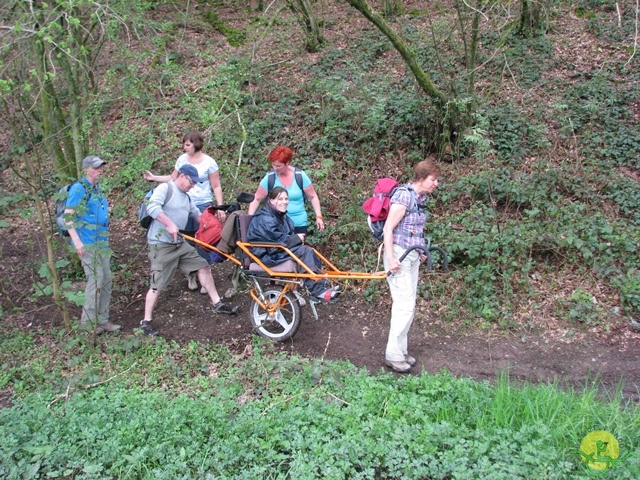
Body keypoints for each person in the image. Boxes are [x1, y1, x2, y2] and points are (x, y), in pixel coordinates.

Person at [141, 164, 239, 336]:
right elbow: (152, 207)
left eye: (195, 183)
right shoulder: (165, 188)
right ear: (182, 176)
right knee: (158, 284)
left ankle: (218, 304)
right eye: (192, 182)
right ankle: (146, 321)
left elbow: (198, 216)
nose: (193, 185)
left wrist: (215, 224)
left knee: (203, 265)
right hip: (161, 244)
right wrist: (169, 224)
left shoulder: (186, 197)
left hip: (179, 243)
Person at [143, 131, 226, 293]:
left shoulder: (209, 162)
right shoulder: (182, 160)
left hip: (202, 204)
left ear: (196, 144)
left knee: (204, 239)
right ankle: (191, 275)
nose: (184, 147)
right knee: (185, 239)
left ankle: (205, 275)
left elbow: (216, 186)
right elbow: (172, 178)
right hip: (181, 204)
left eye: (187, 144)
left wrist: (220, 207)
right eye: (184, 144)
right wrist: (154, 178)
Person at [383, 160, 440, 373]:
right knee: (404, 305)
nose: (436, 184)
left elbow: (414, 229)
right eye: (433, 179)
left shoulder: (420, 199)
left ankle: (401, 350)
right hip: (398, 256)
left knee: (408, 305)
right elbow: (388, 229)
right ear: (422, 178)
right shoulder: (404, 195)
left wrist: (421, 249)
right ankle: (394, 355)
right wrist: (390, 258)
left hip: (411, 255)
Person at [247, 187, 341, 302]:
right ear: (271, 201)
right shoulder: (265, 218)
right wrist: (296, 238)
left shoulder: (280, 216)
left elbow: (284, 237)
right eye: (280, 199)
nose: (284, 202)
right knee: (304, 252)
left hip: (276, 249)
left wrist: (297, 239)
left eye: (286, 199)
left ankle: (322, 287)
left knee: (309, 250)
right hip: (266, 253)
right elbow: (276, 239)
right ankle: (317, 290)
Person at [65, 155, 120, 334]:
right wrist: (77, 242)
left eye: (101, 167)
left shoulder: (97, 188)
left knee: (106, 280)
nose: (100, 170)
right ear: (86, 169)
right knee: (95, 280)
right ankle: (87, 324)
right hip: (87, 242)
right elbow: (68, 216)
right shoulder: (79, 189)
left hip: (101, 241)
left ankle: (103, 320)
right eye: (96, 167)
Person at [247, 146, 324, 238]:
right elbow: (257, 198)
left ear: (287, 163)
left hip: (298, 223)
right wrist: (249, 219)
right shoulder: (270, 178)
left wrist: (318, 216)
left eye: (278, 166)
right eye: (273, 165)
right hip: (277, 225)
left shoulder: (299, 176)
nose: (275, 168)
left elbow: (313, 196)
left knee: (298, 251)